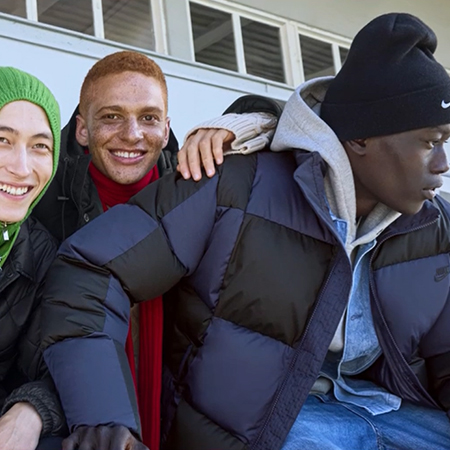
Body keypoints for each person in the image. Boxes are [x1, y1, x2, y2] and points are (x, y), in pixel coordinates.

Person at [40, 12, 450, 450]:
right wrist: (98, 416)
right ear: (360, 139)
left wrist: (257, 116)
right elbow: (90, 270)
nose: (443, 165)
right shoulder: (228, 182)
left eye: (149, 119)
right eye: (430, 142)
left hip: (392, 411)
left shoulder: (434, 223)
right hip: (268, 427)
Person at [32, 50, 275, 449]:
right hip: (82, 421)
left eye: (148, 118)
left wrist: (242, 122)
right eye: (111, 116)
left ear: (166, 129)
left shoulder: (197, 191)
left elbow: (300, 132)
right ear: (81, 129)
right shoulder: (45, 198)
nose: (132, 134)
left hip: (178, 418)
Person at [0, 67, 66, 450]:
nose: (22, 168)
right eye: (2, 139)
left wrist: (31, 409)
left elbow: (56, 366)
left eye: (40, 146)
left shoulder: (41, 255)